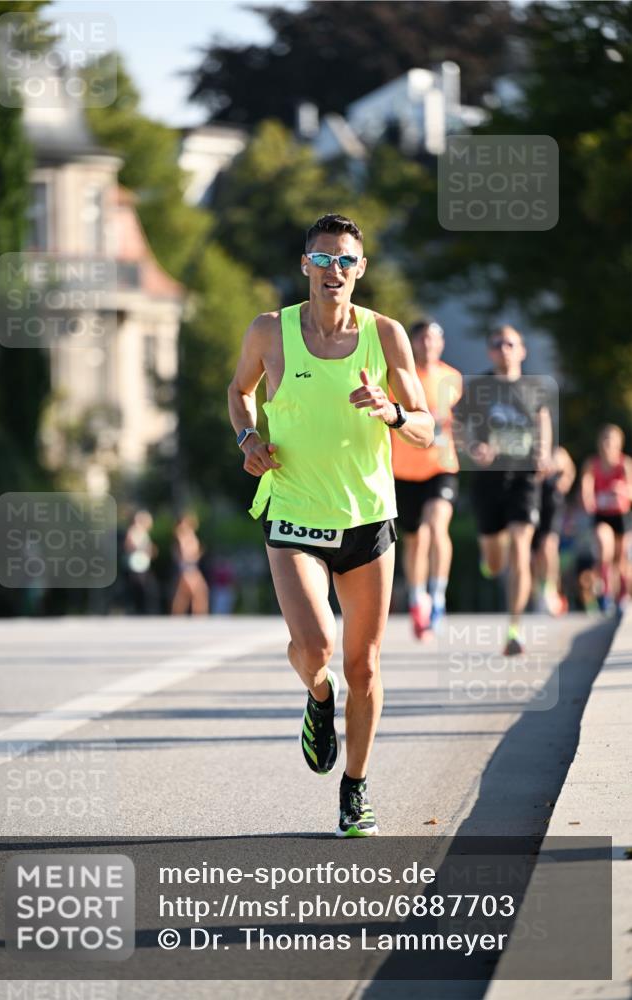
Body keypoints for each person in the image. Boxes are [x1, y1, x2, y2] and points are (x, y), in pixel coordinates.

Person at [228, 214, 433, 836]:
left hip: (368, 518)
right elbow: (239, 392)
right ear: (304, 265)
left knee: (364, 665)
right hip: (292, 507)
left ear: (360, 269)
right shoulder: (271, 331)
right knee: (315, 647)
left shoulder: (387, 335)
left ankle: (356, 787)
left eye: (345, 261)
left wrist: (393, 412)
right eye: (322, 260)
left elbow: (427, 430)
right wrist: (248, 436)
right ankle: (318, 697)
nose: (333, 271)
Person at [453, 325, 552, 656]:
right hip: (488, 479)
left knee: (521, 547)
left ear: (522, 350)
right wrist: (472, 447)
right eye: (496, 344)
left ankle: (514, 630)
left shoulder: (534, 388)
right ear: (489, 351)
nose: (503, 349)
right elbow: (455, 425)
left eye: (510, 343)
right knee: (496, 562)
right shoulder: (479, 387)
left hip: (523, 478)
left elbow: (543, 421)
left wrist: (543, 452)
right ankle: (490, 560)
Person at [392, 319, 462, 638]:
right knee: (414, 539)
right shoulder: (398, 378)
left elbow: (459, 421)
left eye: (433, 339)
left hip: (441, 467)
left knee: (437, 526)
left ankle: (438, 594)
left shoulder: (453, 378)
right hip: (404, 470)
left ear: (441, 344)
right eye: (421, 339)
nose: (427, 345)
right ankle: (417, 597)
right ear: (412, 343)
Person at [580, 425, 632, 615]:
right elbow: (586, 487)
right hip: (602, 516)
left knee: (621, 560)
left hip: (621, 515)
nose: (607, 444)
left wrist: (622, 490)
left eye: (611, 440)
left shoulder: (625, 464)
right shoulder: (592, 464)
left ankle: (623, 596)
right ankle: (606, 593)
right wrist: (588, 499)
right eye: (604, 440)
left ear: (619, 443)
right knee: (604, 546)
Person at [532, 445, 576, 614]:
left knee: (549, 545)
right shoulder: (528, 448)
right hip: (532, 501)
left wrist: (564, 481)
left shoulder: (558, 452)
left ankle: (550, 590)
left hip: (552, 503)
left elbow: (569, 470)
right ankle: (538, 592)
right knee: (535, 555)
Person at [171, 512, 209, 615]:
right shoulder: (182, 535)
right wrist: (192, 556)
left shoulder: (189, 534)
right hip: (187, 565)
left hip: (191, 565)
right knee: (198, 591)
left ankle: (179, 615)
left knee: (185, 593)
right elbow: (183, 553)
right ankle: (199, 615)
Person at [123, 510, 158, 614]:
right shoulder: (133, 531)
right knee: (137, 587)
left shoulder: (143, 533)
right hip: (135, 564)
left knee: (146, 587)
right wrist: (142, 549)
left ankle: (144, 609)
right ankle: (135, 609)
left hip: (143, 564)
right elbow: (129, 546)